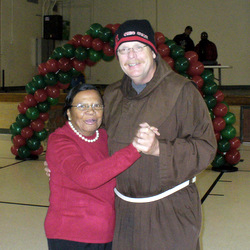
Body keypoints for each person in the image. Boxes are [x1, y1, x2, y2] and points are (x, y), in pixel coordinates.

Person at [103, 19, 217, 250]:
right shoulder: (112, 94)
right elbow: (98, 145)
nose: (131, 56)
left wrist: (159, 149)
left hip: (169, 214)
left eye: (138, 47)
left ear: (153, 52)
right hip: (123, 214)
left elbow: (206, 148)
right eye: (123, 50)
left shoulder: (182, 91)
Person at [44, 83, 146, 250]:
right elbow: (86, 177)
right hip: (71, 234)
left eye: (96, 105)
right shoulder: (60, 140)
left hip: (106, 231)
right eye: (82, 106)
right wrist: (135, 149)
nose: (90, 111)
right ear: (69, 113)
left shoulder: (105, 136)